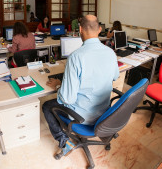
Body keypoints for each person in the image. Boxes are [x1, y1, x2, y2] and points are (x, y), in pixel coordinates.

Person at [42, 15, 119, 157]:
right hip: (105, 113)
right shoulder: (110, 53)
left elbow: (67, 99)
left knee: (47, 106)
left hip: (83, 117)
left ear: (80, 29)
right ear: (100, 29)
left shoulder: (76, 57)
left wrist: (59, 86)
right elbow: (115, 77)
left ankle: (64, 141)